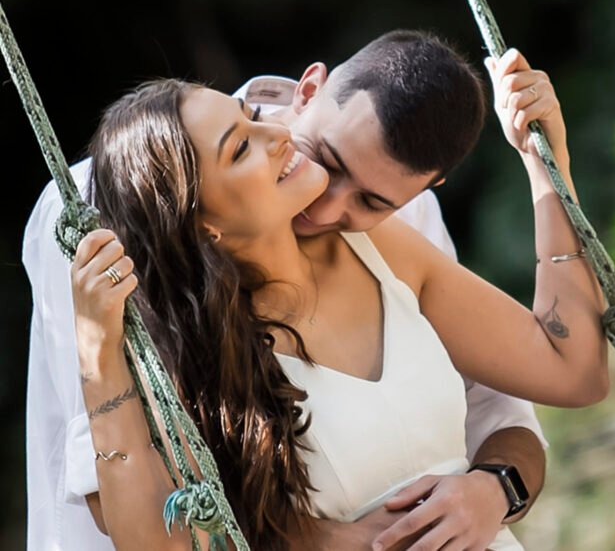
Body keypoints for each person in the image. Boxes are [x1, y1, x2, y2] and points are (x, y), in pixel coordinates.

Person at [23, 32, 553, 549]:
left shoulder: (393, 199)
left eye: (370, 203)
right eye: (240, 147)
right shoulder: (97, 230)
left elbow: (502, 400)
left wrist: (495, 489)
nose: (277, 134)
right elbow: (151, 520)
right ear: (200, 222)